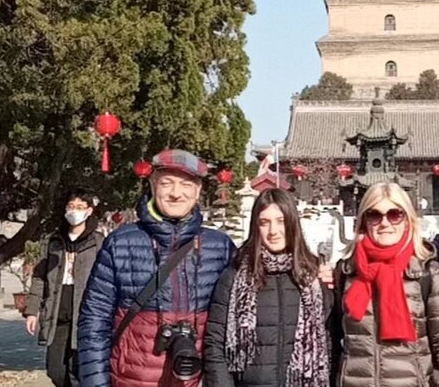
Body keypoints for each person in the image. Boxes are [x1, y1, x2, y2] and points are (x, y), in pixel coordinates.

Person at [77, 149, 235, 387]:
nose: (175, 193)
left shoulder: (219, 247)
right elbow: (94, 322)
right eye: (167, 183)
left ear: (198, 191)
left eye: (186, 185)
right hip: (132, 379)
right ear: (152, 185)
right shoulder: (121, 243)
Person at [333, 182, 439, 386]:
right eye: (374, 215)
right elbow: (335, 340)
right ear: (363, 221)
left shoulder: (429, 274)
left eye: (395, 214)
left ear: (408, 220)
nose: (384, 223)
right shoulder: (346, 273)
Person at [204, 189, 332, 387]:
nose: (273, 231)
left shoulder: (313, 277)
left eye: (281, 221)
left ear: (292, 223)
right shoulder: (235, 276)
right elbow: (215, 345)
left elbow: (329, 340)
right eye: (265, 222)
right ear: (256, 226)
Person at [25, 190, 104, 387]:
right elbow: (39, 277)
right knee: (56, 370)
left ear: (89, 211)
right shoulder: (54, 241)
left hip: (85, 314)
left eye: (79, 207)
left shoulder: (98, 242)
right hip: (57, 311)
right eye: (70, 207)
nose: (73, 211)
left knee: (77, 370)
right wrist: (32, 311)